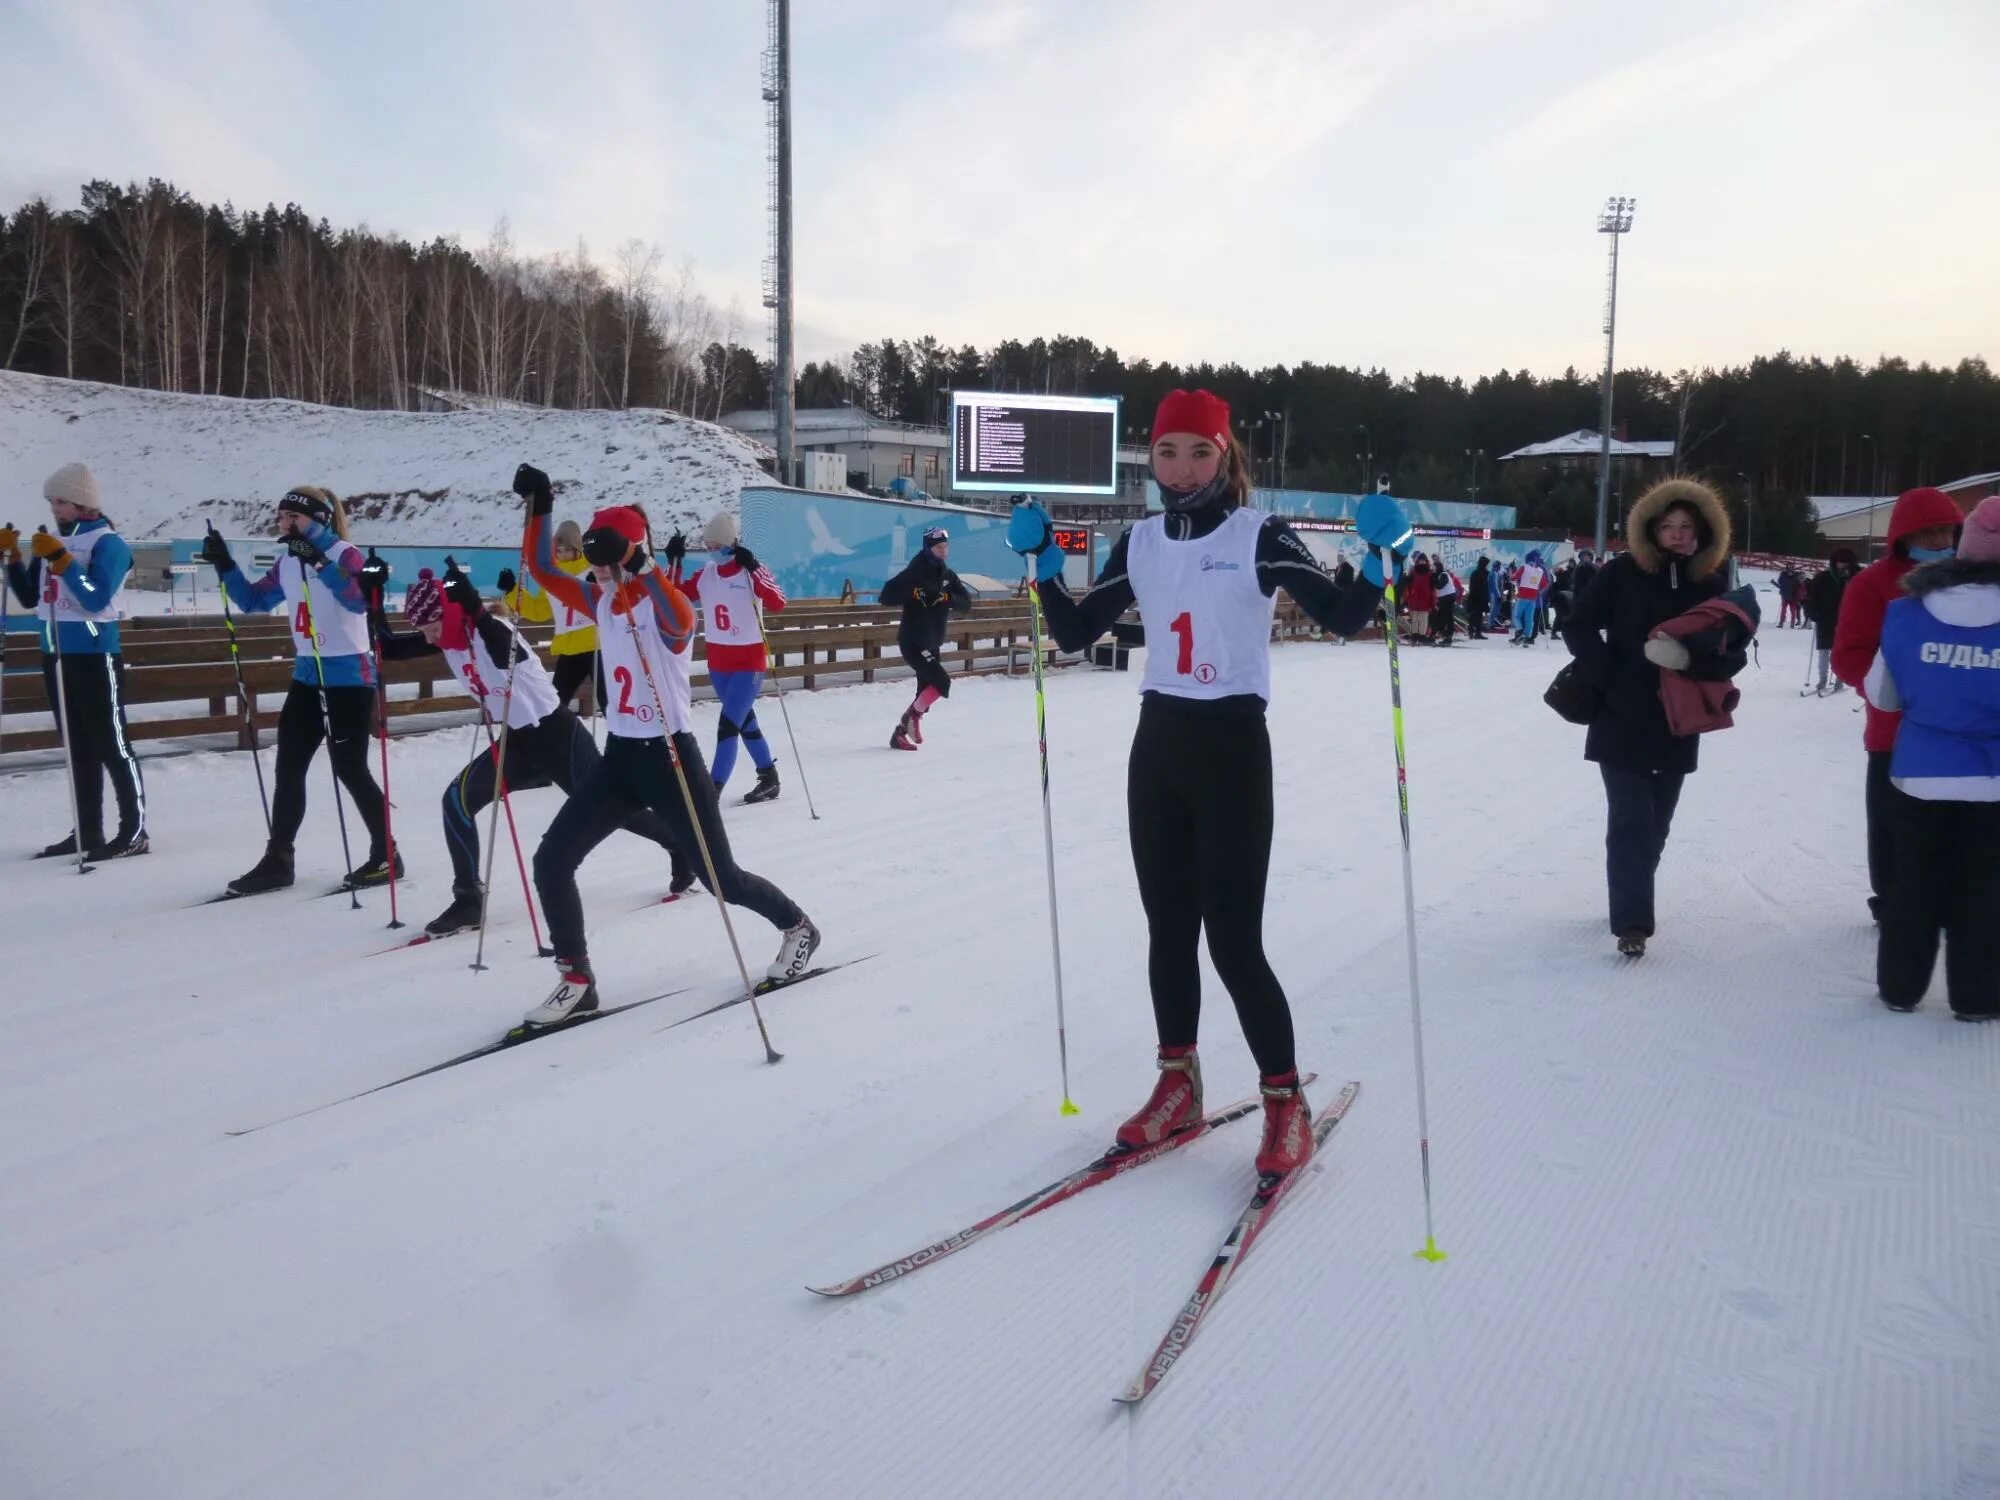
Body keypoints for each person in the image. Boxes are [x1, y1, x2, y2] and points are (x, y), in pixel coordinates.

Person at [1006, 387, 1401, 1178]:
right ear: (1150, 459)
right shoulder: (1142, 540)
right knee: (1167, 930)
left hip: (1230, 748)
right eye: (1166, 451)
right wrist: (1044, 568)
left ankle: (1284, 1100)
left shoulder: (1260, 533)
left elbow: (1341, 617)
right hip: (1158, 744)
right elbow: (1080, 633)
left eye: (1199, 451)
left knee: (1233, 940)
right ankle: (1177, 1082)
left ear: (1226, 456)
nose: (1182, 467)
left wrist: (1381, 558)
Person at [514, 464, 820, 1026]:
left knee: (720, 878)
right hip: (621, 759)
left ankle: (798, 927)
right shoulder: (600, 600)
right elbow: (540, 567)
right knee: (552, 858)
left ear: (628, 554)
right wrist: (541, 502)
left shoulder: (661, 603)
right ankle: (577, 979)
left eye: (606, 560)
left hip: (670, 756)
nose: (598, 572)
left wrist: (644, 566)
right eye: (596, 561)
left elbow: (681, 618)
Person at [372, 568, 693, 937]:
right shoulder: (450, 636)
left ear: (451, 614)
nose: (428, 636)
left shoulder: (495, 631)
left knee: (617, 813)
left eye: (431, 626)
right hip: (518, 743)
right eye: (425, 630)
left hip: (558, 738)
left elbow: (500, 652)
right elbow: (390, 648)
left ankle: (679, 845)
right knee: (455, 802)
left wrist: (475, 609)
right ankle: (468, 900)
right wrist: (374, 599)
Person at [1561, 479, 1738, 957]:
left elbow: (1731, 653)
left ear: (1702, 532)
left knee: (1657, 823)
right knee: (1631, 819)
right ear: (1651, 529)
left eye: (1686, 527)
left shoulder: (1711, 584)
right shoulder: (1622, 573)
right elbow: (1577, 623)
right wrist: (1608, 675)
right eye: (1668, 526)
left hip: (1679, 721)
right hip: (1621, 716)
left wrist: (1690, 663)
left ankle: (1630, 891)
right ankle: (1633, 922)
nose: (1677, 535)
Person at [198, 486, 398, 893]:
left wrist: (319, 560)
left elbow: (359, 600)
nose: (285, 524)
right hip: (308, 675)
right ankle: (279, 858)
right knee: (288, 766)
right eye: (281, 517)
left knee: (350, 768)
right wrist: (225, 565)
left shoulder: (345, 553)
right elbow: (253, 600)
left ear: (319, 519)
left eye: (294, 517)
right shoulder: (288, 561)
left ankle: (386, 854)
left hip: (348, 677)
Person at [1862, 493, 2000, 1021]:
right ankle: (1978, 997)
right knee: (1985, 888)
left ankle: (1900, 987)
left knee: (1913, 883)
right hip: (1992, 781)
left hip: (1921, 774)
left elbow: (1882, 695)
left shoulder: (1906, 613)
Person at [1830, 486, 1966, 922]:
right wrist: (1895, 690)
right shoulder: (1871, 584)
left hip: (1961, 732)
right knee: (1893, 825)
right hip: (1896, 734)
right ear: (1904, 536)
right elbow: (1849, 655)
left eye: (1946, 532)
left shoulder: (1973, 582)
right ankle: (1891, 898)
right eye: (1928, 533)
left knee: (1955, 824)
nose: (1939, 542)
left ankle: (1948, 897)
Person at [1, 464, 148, 859]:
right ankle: (87, 830)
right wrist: (14, 558)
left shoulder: (108, 543)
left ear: (83, 502)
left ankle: (134, 831)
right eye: (51, 502)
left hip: (95, 655)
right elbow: (32, 597)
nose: (55, 509)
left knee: (111, 745)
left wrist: (62, 560)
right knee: (77, 748)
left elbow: (95, 598)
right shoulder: (53, 542)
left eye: (61, 501)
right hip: (56, 655)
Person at [665, 512, 788, 803]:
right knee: (745, 723)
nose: (712, 552)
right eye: (707, 547)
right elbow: (672, 597)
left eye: (717, 546)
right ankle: (769, 776)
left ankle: (711, 791)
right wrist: (674, 562)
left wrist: (756, 568)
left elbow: (777, 602)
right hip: (719, 663)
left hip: (749, 663)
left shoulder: (747, 572)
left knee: (728, 725)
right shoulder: (707, 574)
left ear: (732, 545)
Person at [880, 525, 971, 750]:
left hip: (932, 641)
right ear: (929, 548)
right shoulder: (915, 572)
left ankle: (900, 733)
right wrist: (914, 593)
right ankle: (910, 719)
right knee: (942, 682)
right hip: (913, 641)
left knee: (925, 696)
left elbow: (966, 602)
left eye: (945, 547)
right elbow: (887, 594)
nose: (943, 551)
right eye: (939, 547)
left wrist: (946, 597)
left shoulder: (948, 576)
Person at [500, 518, 600, 715]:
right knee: (556, 703)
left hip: (595, 646)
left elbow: (613, 598)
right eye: (559, 551)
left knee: (609, 700)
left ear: (578, 548)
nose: (563, 555)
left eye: (568, 550)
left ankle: (624, 737)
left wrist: (597, 585)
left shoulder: (593, 568)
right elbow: (539, 610)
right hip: (568, 649)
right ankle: (554, 739)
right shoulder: (554, 577)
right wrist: (512, 591)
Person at [1805, 550, 1859, 694]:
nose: (1842, 566)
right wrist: (1812, 612)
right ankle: (1822, 678)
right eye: (1840, 563)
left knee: (1839, 650)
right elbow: (1811, 597)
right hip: (1824, 618)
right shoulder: (1823, 577)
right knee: (1823, 650)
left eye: (1845, 563)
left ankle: (1839, 678)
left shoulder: (1855, 578)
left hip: (1845, 620)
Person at [1512, 550, 1549, 644]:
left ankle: (1519, 630)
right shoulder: (1540, 571)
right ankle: (1527, 636)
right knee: (1529, 618)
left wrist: (1511, 573)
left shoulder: (1524, 567)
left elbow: (1514, 578)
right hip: (1533, 597)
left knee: (1517, 616)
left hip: (1523, 594)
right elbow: (1544, 584)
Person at [1404, 554, 1437, 641]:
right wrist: (1408, 598)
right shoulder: (1413, 572)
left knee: (1423, 617)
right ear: (1417, 561)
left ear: (1426, 561)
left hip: (1425, 598)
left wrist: (1433, 601)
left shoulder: (1430, 573)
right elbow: (1409, 586)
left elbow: (1433, 587)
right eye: (1420, 560)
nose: (1421, 562)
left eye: (1423, 560)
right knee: (1414, 617)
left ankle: (1422, 635)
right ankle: (1414, 634)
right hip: (1414, 598)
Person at [1432, 562, 1460, 646]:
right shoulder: (1438, 575)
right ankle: (1445, 635)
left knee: (1447, 617)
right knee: (1444, 616)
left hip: (1448, 597)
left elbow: (1439, 586)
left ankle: (1448, 636)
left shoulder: (1443, 574)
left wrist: (1433, 579)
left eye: (1433, 567)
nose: (1432, 568)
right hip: (1443, 598)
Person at [1464, 557, 1492, 640]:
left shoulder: (1474, 573)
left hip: (1474, 597)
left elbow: (1471, 586)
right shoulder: (1485, 573)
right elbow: (1486, 587)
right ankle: (1477, 632)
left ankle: (1471, 631)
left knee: (1474, 615)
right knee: (1478, 615)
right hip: (1481, 597)